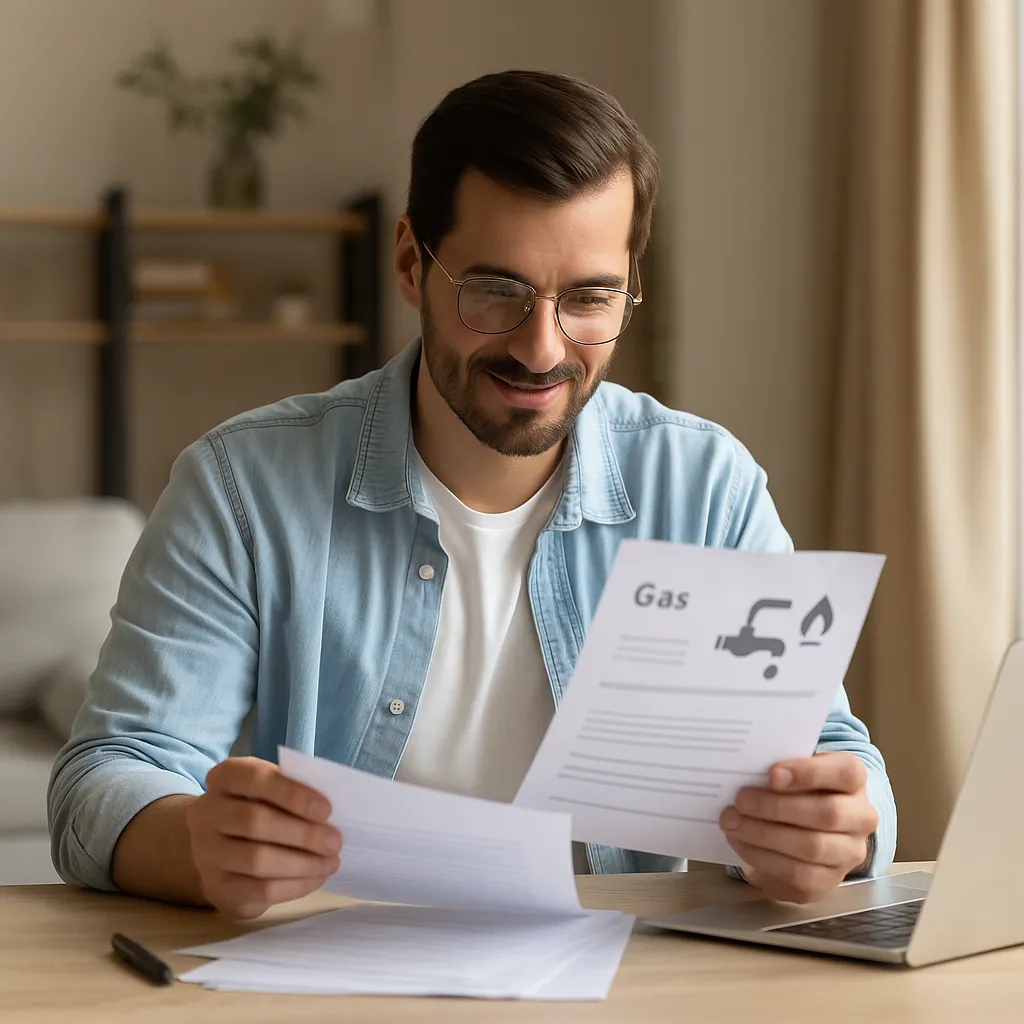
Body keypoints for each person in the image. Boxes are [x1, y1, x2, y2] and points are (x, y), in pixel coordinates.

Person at [48, 70, 895, 920]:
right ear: (412, 262)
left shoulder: (706, 489)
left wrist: (834, 835)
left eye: (590, 299)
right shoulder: (244, 489)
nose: (541, 349)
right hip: (327, 980)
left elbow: (829, 754)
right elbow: (107, 775)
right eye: (497, 292)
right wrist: (196, 842)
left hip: (634, 984)